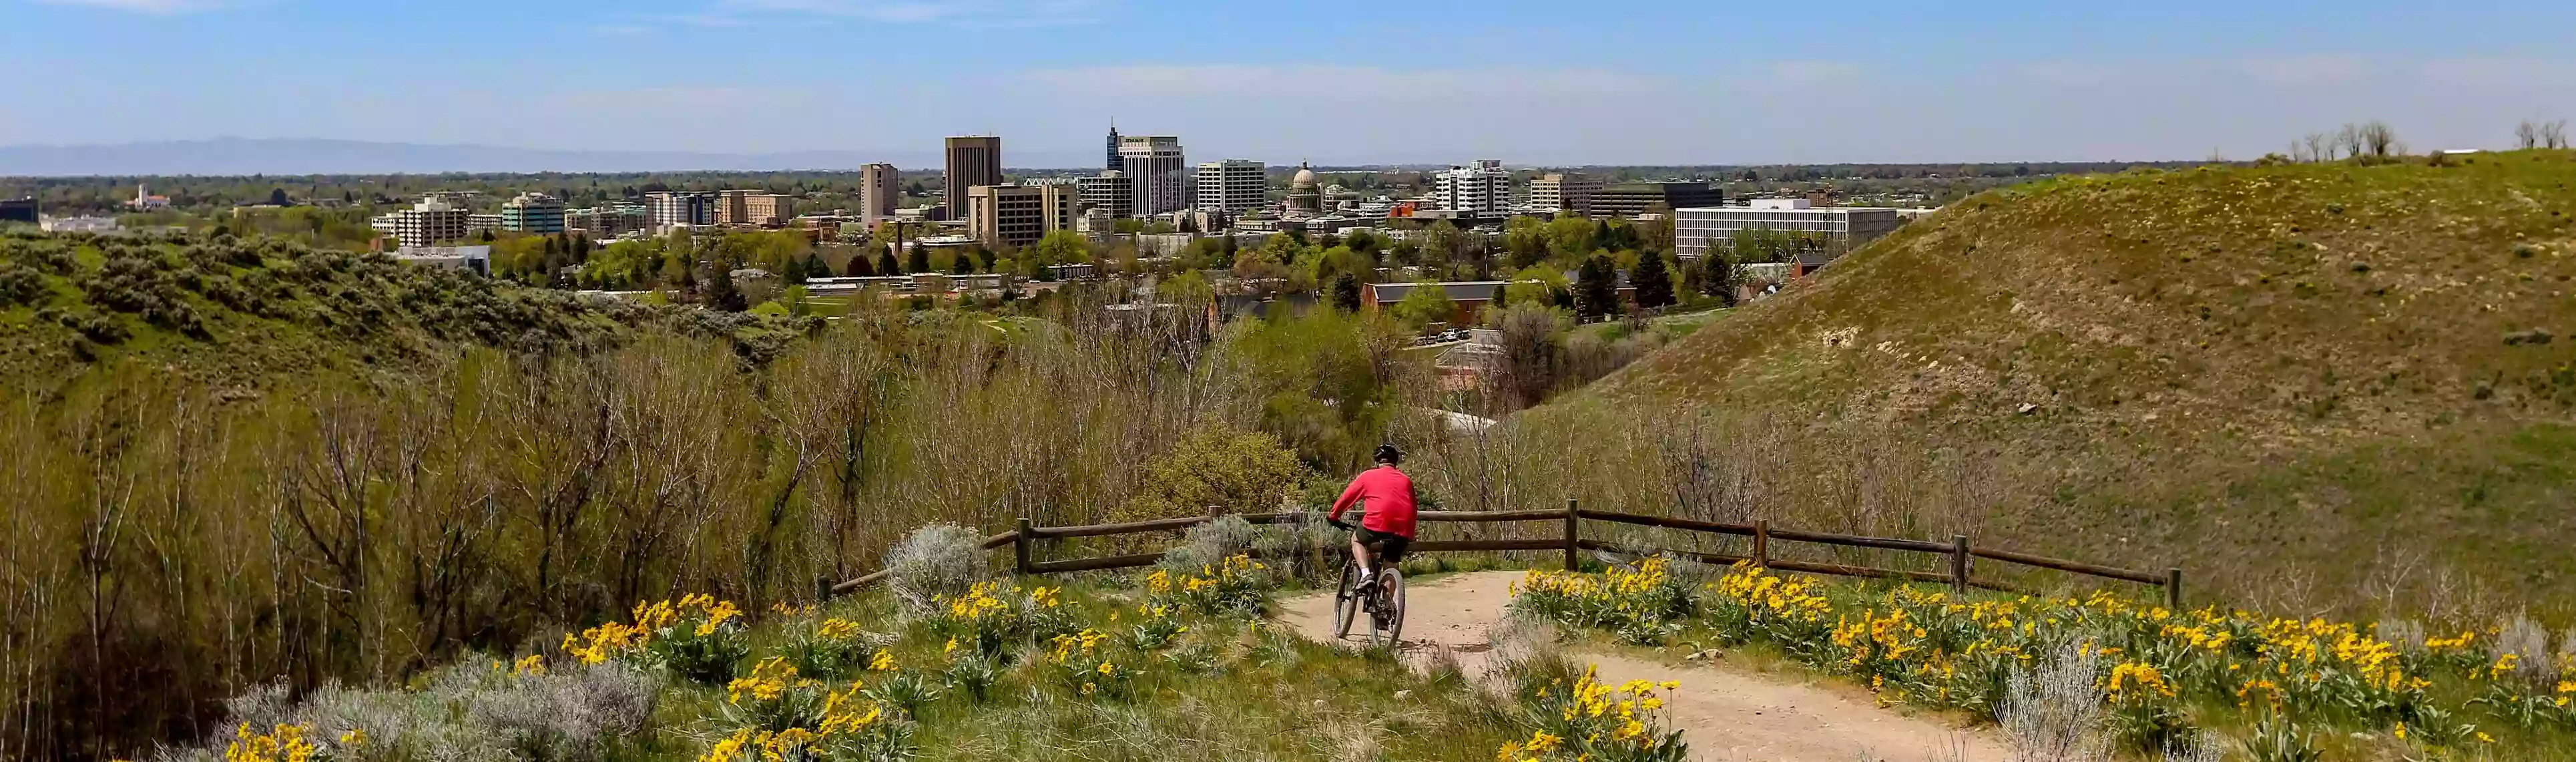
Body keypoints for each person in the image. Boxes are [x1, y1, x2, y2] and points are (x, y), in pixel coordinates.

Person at [1328, 443, 1418, 588]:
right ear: (1395, 462)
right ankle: (1387, 606)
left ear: (1377, 462)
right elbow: (1413, 508)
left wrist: (1334, 516)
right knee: (1391, 564)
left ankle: (1366, 574)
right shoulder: (1406, 481)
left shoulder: (1368, 476)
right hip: (1403, 528)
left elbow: (1346, 498)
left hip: (1377, 522)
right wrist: (1410, 533)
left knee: (1357, 540)